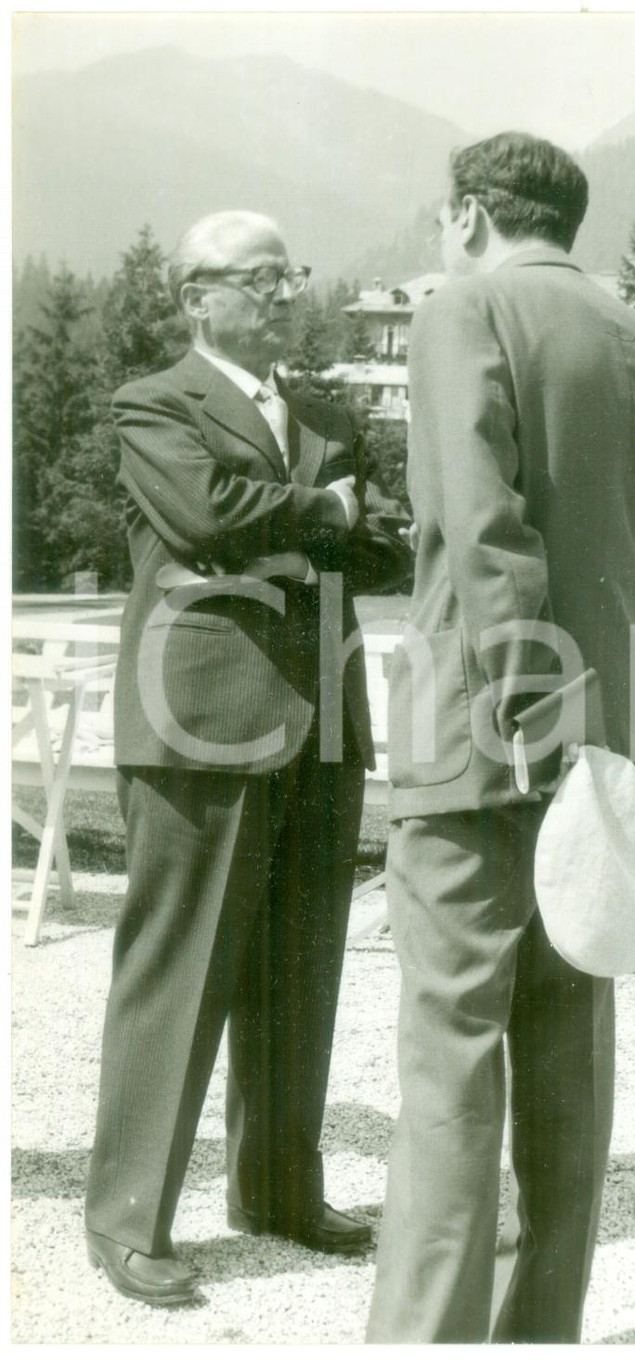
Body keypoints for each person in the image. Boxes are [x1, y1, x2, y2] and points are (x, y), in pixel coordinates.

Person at [365, 131, 635, 1343]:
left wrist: (524, 701)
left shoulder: (464, 311)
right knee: (568, 1056)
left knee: (452, 1060)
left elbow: (479, 520)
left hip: (485, 734)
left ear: (467, 214)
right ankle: (537, 1334)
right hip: (611, 747)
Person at [85, 210, 379, 1306]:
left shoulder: (326, 411)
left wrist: (309, 523)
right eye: (258, 280)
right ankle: (126, 1220)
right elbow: (207, 516)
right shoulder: (154, 401)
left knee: (301, 965)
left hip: (323, 714)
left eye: (288, 275)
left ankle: (277, 1191)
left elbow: (382, 539)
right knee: (179, 965)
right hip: (199, 714)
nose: (281, 294)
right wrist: (321, 516)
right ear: (195, 296)